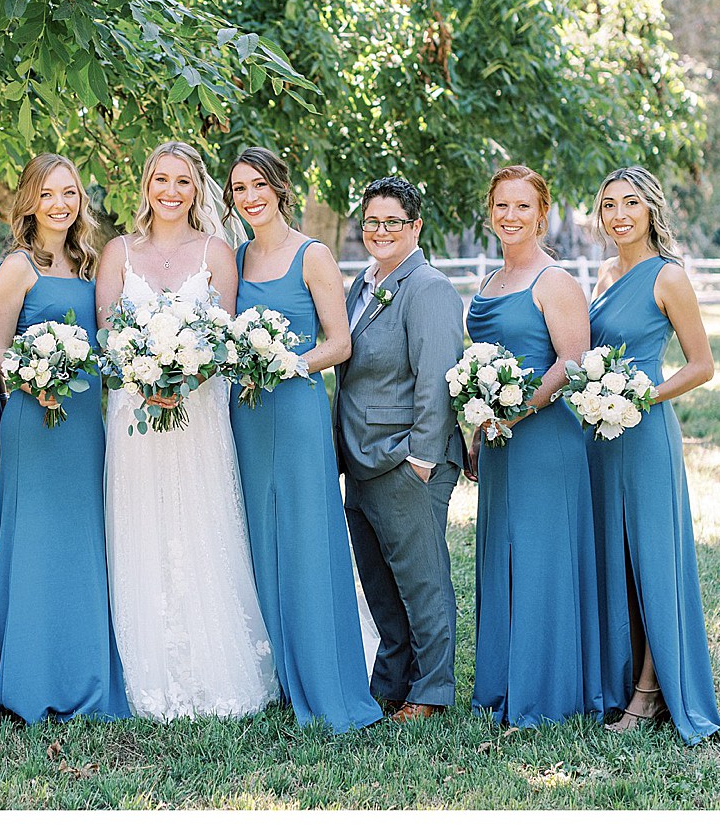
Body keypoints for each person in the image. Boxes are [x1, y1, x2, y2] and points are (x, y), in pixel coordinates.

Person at [95, 140, 278, 720]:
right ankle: (141, 668)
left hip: (200, 410)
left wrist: (183, 372)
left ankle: (212, 668)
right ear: (144, 187)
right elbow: (105, 335)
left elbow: (223, 338)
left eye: (182, 181)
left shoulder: (217, 252)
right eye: (160, 180)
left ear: (197, 189)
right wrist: (141, 372)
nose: (170, 192)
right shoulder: (118, 252)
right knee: (141, 524)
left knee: (204, 522)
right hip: (135, 411)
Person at [223, 147, 381, 734]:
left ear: (280, 188)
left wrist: (288, 362)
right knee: (262, 538)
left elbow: (339, 343)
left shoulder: (311, 255)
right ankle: (285, 679)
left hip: (295, 410)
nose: (249, 198)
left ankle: (326, 679)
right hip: (247, 410)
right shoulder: (236, 259)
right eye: (239, 190)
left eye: (258, 185)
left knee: (309, 539)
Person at [586, 165, 720, 743]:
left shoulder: (668, 277)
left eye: (630, 204)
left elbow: (702, 365)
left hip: (644, 433)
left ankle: (651, 693)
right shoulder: (600, 273)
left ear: (650, 211)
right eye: (609, 205)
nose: (619, 215)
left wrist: (641, 393)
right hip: (600, 436)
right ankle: (623, 680)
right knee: (615, 560)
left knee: (652, 557)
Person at [0, 154, 128, 723]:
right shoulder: (18, 267)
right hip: (33, 422)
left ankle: (82, 678)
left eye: (69, 193)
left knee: (79, 545)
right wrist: (30, 379)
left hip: (81, 430)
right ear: (30, 201)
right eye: (48, 194)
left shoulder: (90, 263)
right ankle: (29, 683)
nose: (60, 204)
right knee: (35, 545)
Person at [464, 165, 603, 728]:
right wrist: (480, 419)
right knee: (505, 555)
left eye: (523, 206)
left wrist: (516, 410)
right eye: (501, 205)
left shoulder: (555, 282)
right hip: (499, 442)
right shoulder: (490, 281)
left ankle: (545, 692)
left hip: (544, 441)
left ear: (541, 215)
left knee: (542, 559)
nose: (511, 216)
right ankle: (502, 681)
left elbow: (571, 363)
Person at [334, 175, 465, 722]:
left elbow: (436, 377)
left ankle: (432, 690)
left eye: (393, 222)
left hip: (404, 458)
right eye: (372, 222)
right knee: (380, 582)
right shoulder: (362, 284)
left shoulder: (428, 287)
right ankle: (392, 679)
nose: (380, 231)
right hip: (359, 458)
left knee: (422, 579)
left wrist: (421, 459)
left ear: (416, 226)